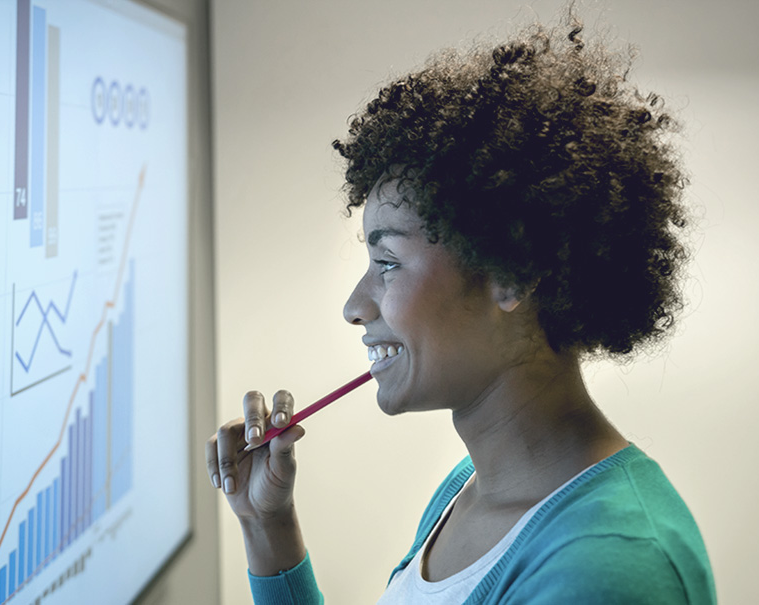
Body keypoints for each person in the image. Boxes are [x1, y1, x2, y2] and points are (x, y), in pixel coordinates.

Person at [205, 12, 716, 604]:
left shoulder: (608, 568)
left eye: (388, 263)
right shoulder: (468, 491)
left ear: (513, 274)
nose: (354, 305)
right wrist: (265, 523)